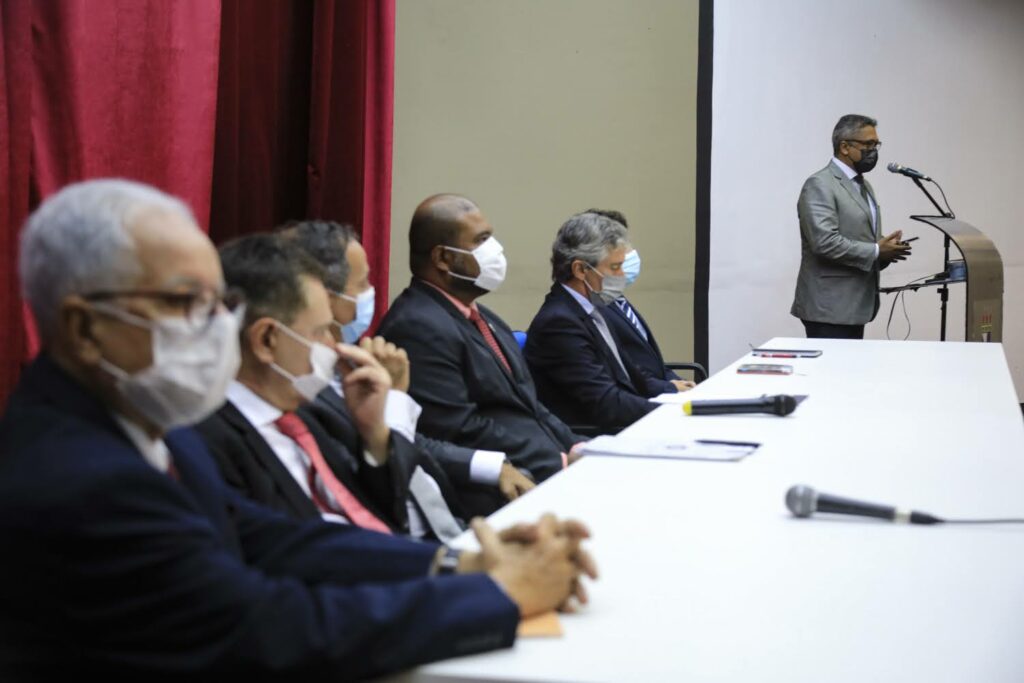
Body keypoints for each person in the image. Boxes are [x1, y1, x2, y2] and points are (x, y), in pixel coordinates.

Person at [0, 179, 596, 678]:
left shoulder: (150, 425)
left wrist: (457, 565)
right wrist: (497, 595)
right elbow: (264, 626)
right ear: (83, 328)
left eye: (217, 304)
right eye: (186, 303)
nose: (216, 329)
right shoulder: (76, 475)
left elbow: (274, 539)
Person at [196, 233, 460, 539]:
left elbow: (388, 514)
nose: (333, 347)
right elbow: (289, 555)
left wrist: (374, 436)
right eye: (320, 332)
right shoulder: (211, 442)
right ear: (267, 340)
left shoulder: (304, 416)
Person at [280, 220, 535, 518]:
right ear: (321, 295)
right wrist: (394, 398)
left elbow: (415, 442)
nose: (371, 293)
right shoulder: (299, 380)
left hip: (441, 518)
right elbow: (372, 480)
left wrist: (494, 467)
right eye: (362, 284)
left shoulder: (345, 363)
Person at [378, 194, 585, 484]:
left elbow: (530, 405)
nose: (494, 250)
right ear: (442, 257)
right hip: (501, 485)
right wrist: (558, 462)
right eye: (481, 240)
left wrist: (578, 447)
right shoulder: (417, 326)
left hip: (547, 467)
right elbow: (459, 428)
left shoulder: (482, 315)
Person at [525, 211, 686, 434]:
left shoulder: (593, 307)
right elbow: (605, 403)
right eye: (614, 267)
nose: (621, 275)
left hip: (619, 423)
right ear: (580, 269)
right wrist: (672, 413)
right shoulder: (559, 323)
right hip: (593, 435)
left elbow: (630, 376)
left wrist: (676, 393)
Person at [791, 114, 913, 339]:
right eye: (868, 144)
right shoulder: (820, 184)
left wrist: (886, 249)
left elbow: (859, 236)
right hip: (828, 308)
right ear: (844, 147)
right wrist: (876, 250)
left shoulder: (863, 186)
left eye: (876, 144)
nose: (874, 150)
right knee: (831, 374)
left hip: (856, 305)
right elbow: (824, 243)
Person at [585, 208, 696, 393]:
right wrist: (669, 388)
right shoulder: (594, 308)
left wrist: (680, 383)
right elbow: (619, 376)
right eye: (620, 248)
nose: (628, 253)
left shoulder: (616, 299)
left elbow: (651, 362)